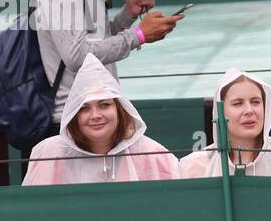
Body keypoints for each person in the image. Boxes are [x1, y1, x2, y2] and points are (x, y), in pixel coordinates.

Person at [37, 0, 181, 125]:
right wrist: (138, 35)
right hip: (75, 121)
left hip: (94, 114)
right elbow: (76, 56)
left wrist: (128, 14)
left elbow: (97, 40)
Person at [23, 54, 180, 185]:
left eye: (104, 105)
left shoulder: (152, 154)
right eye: (84, 108)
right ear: (74, 115)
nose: (95, 115)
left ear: (119, 109)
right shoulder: (49, 154)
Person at [180, 69, 271, 178]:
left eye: (256, 102)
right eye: (238, 103)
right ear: (220, 113)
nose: (249, 111)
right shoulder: (194, 167)